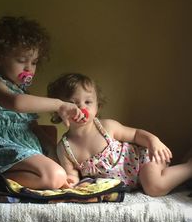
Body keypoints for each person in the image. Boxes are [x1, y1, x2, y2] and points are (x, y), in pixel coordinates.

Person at [0, 16, 85, 190]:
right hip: (0, 150)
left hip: (26, 149)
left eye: (34, 62)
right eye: (22, 61)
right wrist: (59, 104)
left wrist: (54, 151)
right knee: (55, 176)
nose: (29, 68)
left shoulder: (23, 93)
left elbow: (34, 128)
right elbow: (16, 103)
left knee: (62, 171)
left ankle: (48, 178)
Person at [47, 72, 192, 196]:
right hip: (133, 181)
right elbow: (72, 175)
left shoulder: (106, 127)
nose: (82, 108)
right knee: (147, 183)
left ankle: (189, 166)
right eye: (73, 104)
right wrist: (73, 183)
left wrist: (153, 141)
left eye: (88, 102)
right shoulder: (65, 148)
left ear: (97, 107)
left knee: (153, 187)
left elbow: (136, 134)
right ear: (60, 110)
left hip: (144, 160)